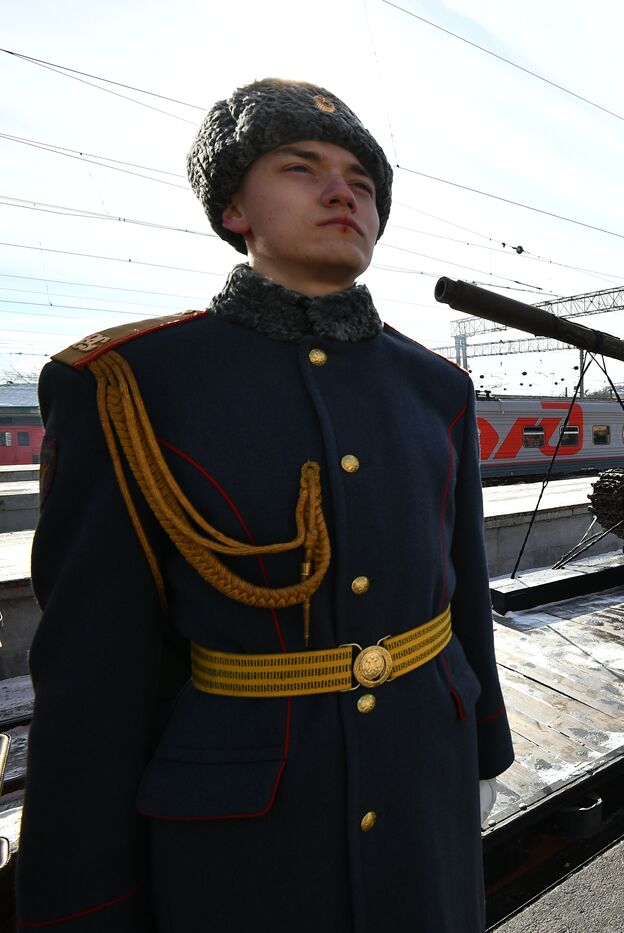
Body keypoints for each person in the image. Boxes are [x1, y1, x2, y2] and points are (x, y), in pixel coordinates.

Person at [19, 78, 514, 931]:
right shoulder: (129, 385)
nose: (342, 192)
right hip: (244, 838)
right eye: (301, 167)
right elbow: (93, 677)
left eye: (363, 182)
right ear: (233, 209)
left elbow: (463, 591)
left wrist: (483, 751)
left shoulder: (438, 388)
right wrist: (81, 898)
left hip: (423, 785)